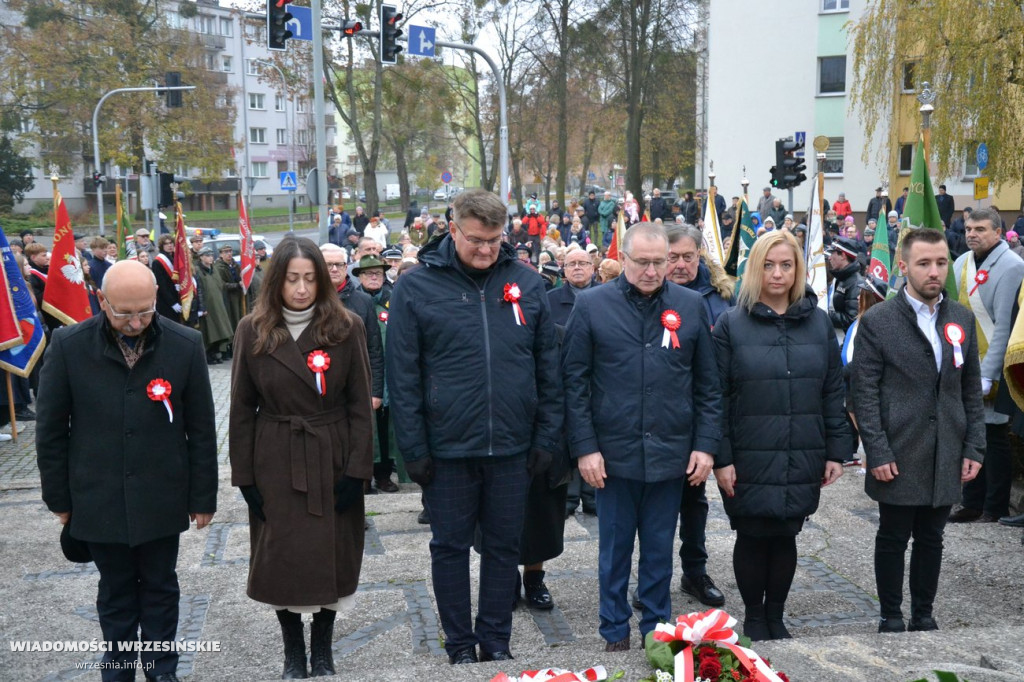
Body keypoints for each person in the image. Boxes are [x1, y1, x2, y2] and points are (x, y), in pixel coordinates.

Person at [386, 189, 562, 665]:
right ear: (453, 227)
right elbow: (402, 375)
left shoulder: (527, 283)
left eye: (494, 240)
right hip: (446, 449)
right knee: (449, 549)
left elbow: (549, 368)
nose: (486, 250)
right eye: (476, 240)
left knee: (505, 547)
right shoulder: (416, 287)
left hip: (510, 446)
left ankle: (497, 640)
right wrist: (413, 449)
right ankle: (461, 645)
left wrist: (545, 436)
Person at [37, 260, 217, 682]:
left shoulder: (185, 344)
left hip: (161, 494)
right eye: (123, 313)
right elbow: (50, 431)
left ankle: (161, 672)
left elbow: (202, 428)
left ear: (156, 298)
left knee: (160, 589)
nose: (135, 322)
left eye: (145, 310)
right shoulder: (67, 345)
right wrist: (59, 500)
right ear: (102, 300)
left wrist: (202, 497)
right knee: (116, 594)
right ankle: (117, 672)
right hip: (97, 497)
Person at [562, 222, 721, 652]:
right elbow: (573, 383)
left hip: (670, 453)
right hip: (612, 456)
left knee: (658, 548)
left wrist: (705, 446)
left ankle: (656, 627)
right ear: (623, 260)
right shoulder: (592, 305)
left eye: (660, 262)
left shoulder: (690, 304)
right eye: (643, 263)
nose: (652, 272)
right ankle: (614, 628)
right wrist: (585, 448)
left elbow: (708, 385)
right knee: (613, 550)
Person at [229, 236, 374, 679]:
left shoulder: (346, 326)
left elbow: (358, 404)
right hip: (276, 455)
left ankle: (323, 649)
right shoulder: (251, 330)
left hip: (331, 452)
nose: (301, 289)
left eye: (310, 278)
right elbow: (240, 408)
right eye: (292, 279)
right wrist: (245, 477)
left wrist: (357, 469)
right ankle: (293, 649)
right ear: (276, 280)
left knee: (332, 552)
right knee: (282, 556)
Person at [712, 230, 848, 641]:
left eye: (786, 265)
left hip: (801, 447)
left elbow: (832, 389)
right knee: (753, 534)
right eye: (769, 265)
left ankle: (777, 615)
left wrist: (837, 451)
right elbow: (714, 395)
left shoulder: (818, 321)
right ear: (755, 268)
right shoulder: (731, 324)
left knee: (786, 532)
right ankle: (755, 615)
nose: (778, 273)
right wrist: (722, 457)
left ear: (797, 268)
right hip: (748, 451)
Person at [854, 228, 985, 633]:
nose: (934, 272)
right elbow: (864, 393)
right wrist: (877, 450)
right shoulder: (878, 320)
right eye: (924, 263)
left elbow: (970, 390)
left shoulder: (960, 318)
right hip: (898, 451)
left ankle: (924, 614)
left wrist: (974, 447)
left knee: (933, 538)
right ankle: (890, 614)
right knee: (893, 537)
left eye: (941, 263)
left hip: (947, 450)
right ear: (903, 266)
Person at [664, 224, 732, 607]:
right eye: (672, 257)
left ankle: (695, 571)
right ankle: (652, 577)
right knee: (654, 504)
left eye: (688, 256)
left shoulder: (722, 297)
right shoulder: (651, 292)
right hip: (660, 415)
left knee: (695, 501)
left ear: (700, 257)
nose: (680, 264)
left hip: (705, 413)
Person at [949, 207, 1024, 524]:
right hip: (963, 363)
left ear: (997, 231)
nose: (971, 234)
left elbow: (1005, 328)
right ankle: (971, 501)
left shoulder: (1012, 266)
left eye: (979, 229)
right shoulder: (961, 263)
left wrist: (989, 374)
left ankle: (994, 505)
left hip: (991, 366)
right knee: (968, 434)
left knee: (993, 437)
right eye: (968, 228)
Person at [549, 248, 596, 518]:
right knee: (567, 438)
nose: (577, 268)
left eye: (583, 263)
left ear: (593, 267)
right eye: (571, 264)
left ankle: (592, 496)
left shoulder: (607, 296)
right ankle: (568, 497)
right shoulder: (550, 300)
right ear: (563, 269)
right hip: (563, 380)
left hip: (598, 380)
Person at [352, 254, 401, 493]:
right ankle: (363, 476)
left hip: (390, 378)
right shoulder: (353, 302)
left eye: (378, 273)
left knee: (386, 427)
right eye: (369, 273)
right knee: (363, 427)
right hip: (362, 373)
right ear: (360, 277)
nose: (374, 277)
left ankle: (384, 475)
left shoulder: (393, 301)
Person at [194, 247, 233, 365]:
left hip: (218, 304)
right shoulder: (198, 270)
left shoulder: (214, 269)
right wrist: (201, 307)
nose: (210, 257)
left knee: (220, 329)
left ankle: (217, 352)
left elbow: (221, 285)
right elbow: (198, 289)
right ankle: (208, 354)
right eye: (207, 255)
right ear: (201, 257)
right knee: (209, 331)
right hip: (207, 305)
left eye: (211, 255)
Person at [827, 237, 863, 332]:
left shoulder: (856, 283)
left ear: (843, 256)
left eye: (832, 254)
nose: (829, 258)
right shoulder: (839, 277)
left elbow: (852, 319)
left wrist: (825, 314)